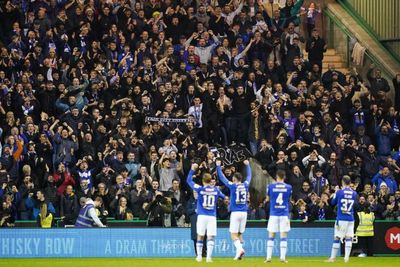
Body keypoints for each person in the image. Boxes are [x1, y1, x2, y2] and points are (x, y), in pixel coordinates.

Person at [187, 163, 225, 263]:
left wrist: (192, 170)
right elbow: (224, 197)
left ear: (203, 181)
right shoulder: (216, 190)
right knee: (210, 236)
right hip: (212, 216)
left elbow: (189, 180)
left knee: (200, 235)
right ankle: (208, 257)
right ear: (210, 180)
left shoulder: (200, 189)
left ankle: (199, 256)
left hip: (202, 215)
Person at [216, 159, 251, 260]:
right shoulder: (246, 184)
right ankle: (238, 255)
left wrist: (218, 167)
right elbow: (249, 176)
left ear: (235, 179)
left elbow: (222, 178)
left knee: (233, 234)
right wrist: (248, 166)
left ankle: (240, 250)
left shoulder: (232, 186)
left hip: (235, 213)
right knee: (240, 235)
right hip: (244, 212)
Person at [326, 175, 358, 263]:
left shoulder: (340, 192)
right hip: (350, 218)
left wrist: (335, 192)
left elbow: (332, 202)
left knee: (337, 237)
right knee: (349, 237)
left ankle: (332, 258)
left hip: (341, 218)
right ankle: (346, 258)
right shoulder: (354, 193)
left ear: (342, 182)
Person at [265, 170, 292, 263]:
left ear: (276, 176)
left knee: (271, 235)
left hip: (273, 214)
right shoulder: (289, 187)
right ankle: (282, 258)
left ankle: (268, 258)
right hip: (284, 214)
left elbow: (268, 199)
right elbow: (289, 198)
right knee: (283, 236)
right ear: (284, 177)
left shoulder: (270, 186)